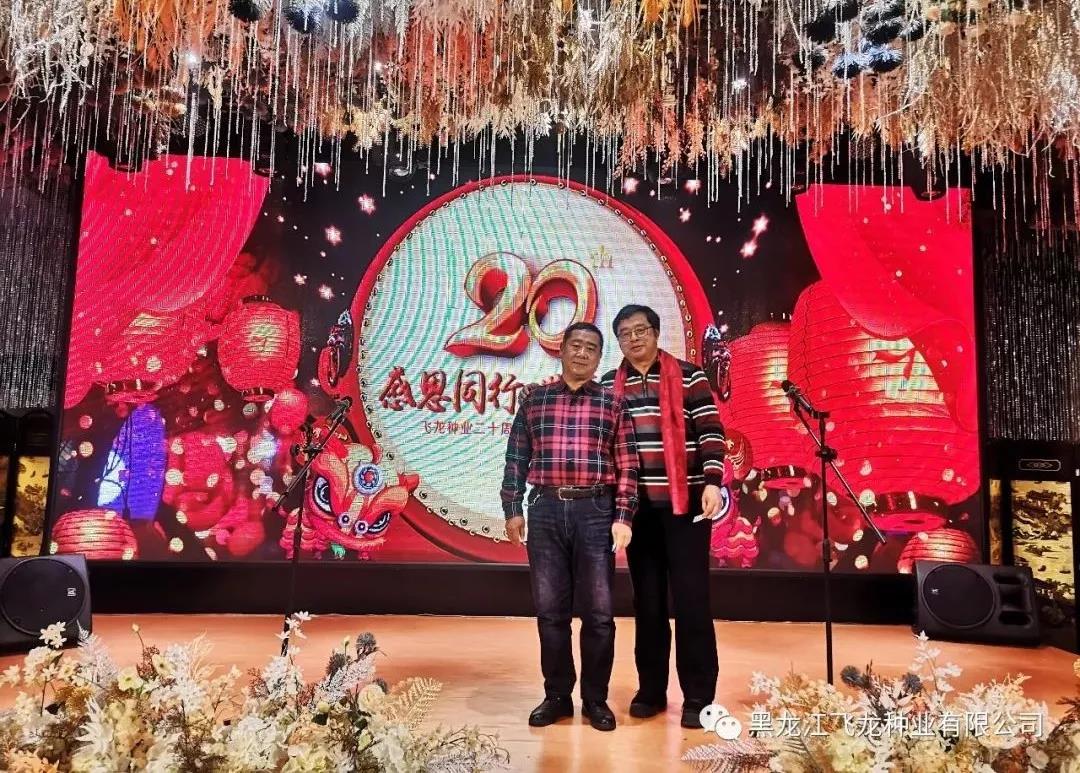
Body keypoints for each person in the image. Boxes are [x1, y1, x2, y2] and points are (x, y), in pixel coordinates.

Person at [501, 321, 639, 732]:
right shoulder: (535, 399)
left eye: (591, 348)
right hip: (544, 508)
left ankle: (595, 699)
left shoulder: (613, 404)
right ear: (561, 351)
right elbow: (516, 458)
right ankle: (557, 696)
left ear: (599, 358)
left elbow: (628, 466)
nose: (582, 353)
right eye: (575, 345)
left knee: (599, 614)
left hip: (595, 510)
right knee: (550, 612)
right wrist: (512, 508)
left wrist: (623, 516)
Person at [600, 304, 727, 729]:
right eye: (625, 333)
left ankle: (698, 697)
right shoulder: (608, 385)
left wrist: (713, 481)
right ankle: (651, 691)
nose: (633, 338)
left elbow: (711, 432)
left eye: (641, 330)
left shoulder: (690, 376)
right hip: (638, 512)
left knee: (692, 601)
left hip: (686, 507)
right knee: (648, 604)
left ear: (656, 333)